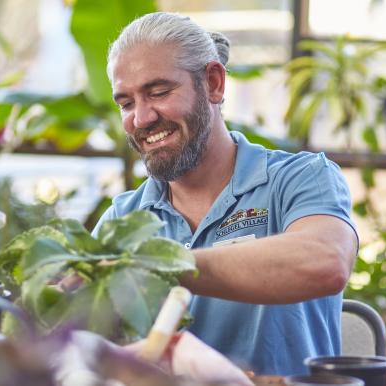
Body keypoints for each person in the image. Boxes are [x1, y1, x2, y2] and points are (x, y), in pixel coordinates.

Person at [92, 12, 358, 376]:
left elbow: (325, 261)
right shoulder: (123, 220)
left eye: (159, 92)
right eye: (126, 103)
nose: (141, 118)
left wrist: (161, 264)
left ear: (213, 84)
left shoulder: (298, 179)